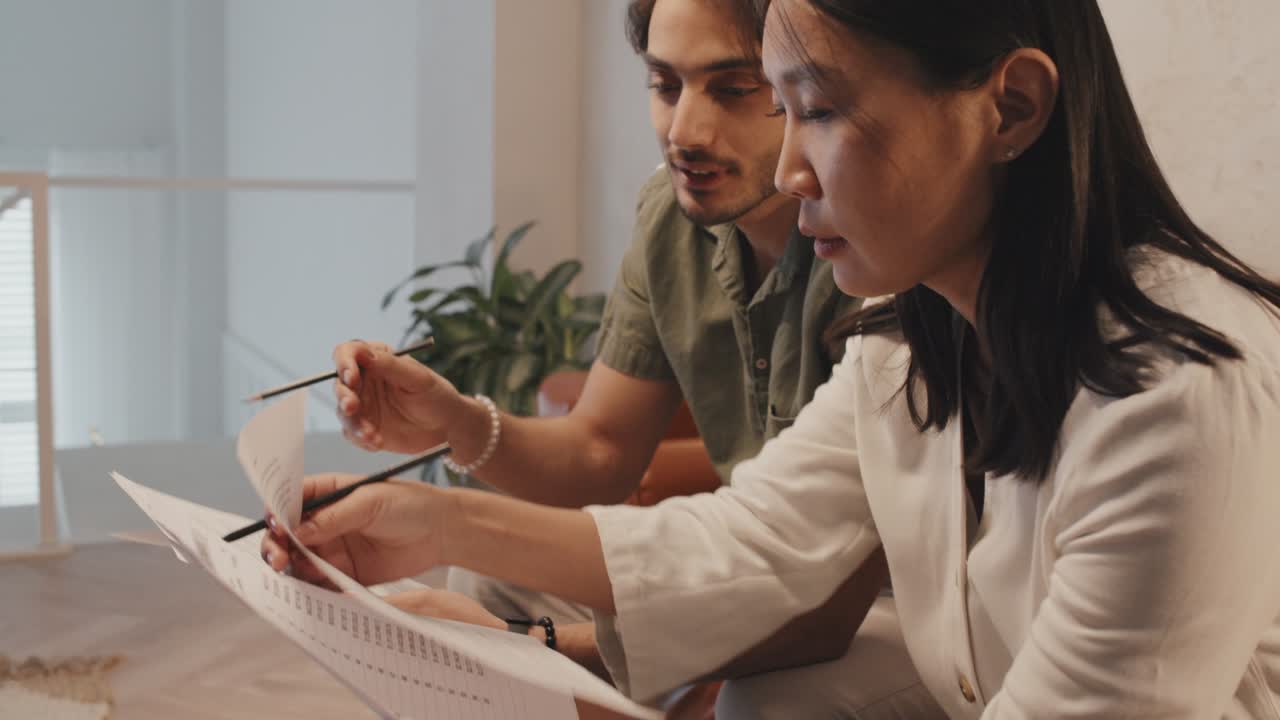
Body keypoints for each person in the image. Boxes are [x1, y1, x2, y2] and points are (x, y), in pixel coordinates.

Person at [272, 0, 1280, 715]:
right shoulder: (910, 336)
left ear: (1008, 108)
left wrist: (541, 665)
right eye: (783, 110)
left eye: (821, 109)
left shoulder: (1171, 398)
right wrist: (424, 517)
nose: (789, 170)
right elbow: (745, 538)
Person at [298, 0, 938, 716]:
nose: (684, 132)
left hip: (892, 601)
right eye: (665, 85)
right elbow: (601, 447)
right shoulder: (673, 217)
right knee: (481, 589)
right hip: (766, 554)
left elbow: (819, 598)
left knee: (757, 703)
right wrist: (456, 423)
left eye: (733, 89)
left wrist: (540, 645)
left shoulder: (887, 253)